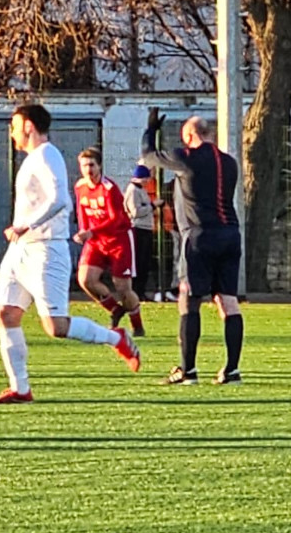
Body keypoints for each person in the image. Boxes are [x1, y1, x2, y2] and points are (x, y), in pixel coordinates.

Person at [0, 104, 140, 406]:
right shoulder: (31, 159)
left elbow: (60, 200)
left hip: (45, 250)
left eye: (14, 125)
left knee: (56, 327)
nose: (11, 132)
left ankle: (117, 338)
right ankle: (20, 388)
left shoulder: (48, 154)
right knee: (5, 313)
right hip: (19, 250)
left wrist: (27, 224)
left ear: (28, 126)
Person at [141, 110, 244, 385]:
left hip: (199, 237)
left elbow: (148, 157)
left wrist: (150, 131)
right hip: (230, 234)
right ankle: (232, 370)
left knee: (189, 299)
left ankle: (188, 371)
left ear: (188, 136)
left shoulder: (185, 157)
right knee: (228, 301)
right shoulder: (229, 162)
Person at [73, 147, 145, 337]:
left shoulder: (109, 189)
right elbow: (81, 210)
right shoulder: (80, 186)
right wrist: (83, 230)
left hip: (119, 239)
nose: (88, 170)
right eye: (84, 166)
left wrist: (91, 231)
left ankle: (137, 326)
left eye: (91, 165)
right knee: (85, 279)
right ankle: (115, 309)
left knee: (123, 288)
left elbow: (115, 219)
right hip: (97, 241)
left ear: (99, 166)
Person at [123, 164, 156, 303]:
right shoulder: (133, 190)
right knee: (139, 262)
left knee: (145, 262)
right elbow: (135, 212)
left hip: (145, 229)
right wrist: (152, 206)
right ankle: (136, 292)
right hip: (138, 229)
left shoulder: (140, 189)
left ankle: (141, 291)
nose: (148, 181)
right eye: (146, 178)